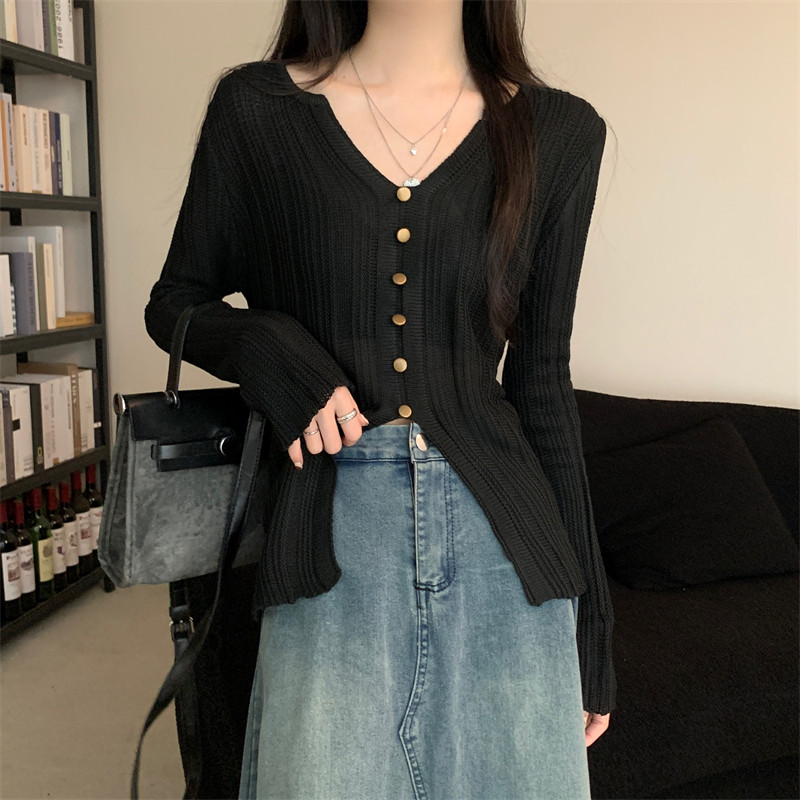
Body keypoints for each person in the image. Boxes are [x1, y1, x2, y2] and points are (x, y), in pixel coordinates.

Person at [143, 1, 617, 797]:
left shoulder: (561, 132)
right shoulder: (258, 111)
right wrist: (272, 351)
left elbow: (542, 381)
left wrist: (593, 627)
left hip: (510, 560)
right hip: (329, 550)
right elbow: (175, 303)